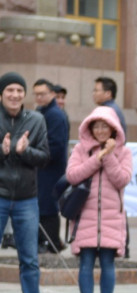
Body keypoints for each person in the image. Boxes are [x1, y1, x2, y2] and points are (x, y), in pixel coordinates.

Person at [64, 106, 133, 293]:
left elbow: (122, 179)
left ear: (114, 129)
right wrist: (98, 157)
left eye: (105, 126)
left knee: (107, 264)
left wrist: (109, 156)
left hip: (112, 218)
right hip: (85, 216)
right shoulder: (79, 150)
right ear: (90, 128)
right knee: (85, 263)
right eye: (97, 126)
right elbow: (73, 176)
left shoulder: (125, 152)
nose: (101, 130)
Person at [0, 71, 51, 293]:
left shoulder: (36, 120)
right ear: (1, 94)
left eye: (19, 90)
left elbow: (44, 157)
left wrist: (24, 151)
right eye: (10, 90)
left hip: (26, 199)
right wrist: (2, 152)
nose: (15, 95)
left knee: (29, 257)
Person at [33, 78, 69, 253]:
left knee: (48, 207)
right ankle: (48, 242)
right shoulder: (42, 111)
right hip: (42, 168)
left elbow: (56, 145)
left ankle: (52, 243)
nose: (39, 97)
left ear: (52, 94)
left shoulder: (55, 114)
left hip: (51, 169)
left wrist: (35, 154)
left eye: (43, 94)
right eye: (36, 94)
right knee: (42, 206)